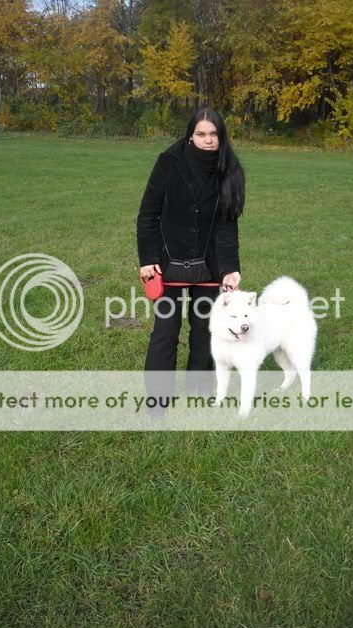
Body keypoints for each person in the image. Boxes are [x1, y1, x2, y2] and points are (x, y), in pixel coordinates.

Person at [136, 106, 246, 417]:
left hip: (209, 265)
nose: (208, 140)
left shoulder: (229, 169)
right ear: (190, 136)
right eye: (201, 134)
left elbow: (226, 226)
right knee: (165, 331)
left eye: (213, 134)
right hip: (168, 262)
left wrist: (229, 268)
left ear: (221, 137)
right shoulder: (168, 162)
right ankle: (158, 400)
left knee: (205, 330)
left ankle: (199, 390)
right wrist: (148, 258)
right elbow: (148, 214)